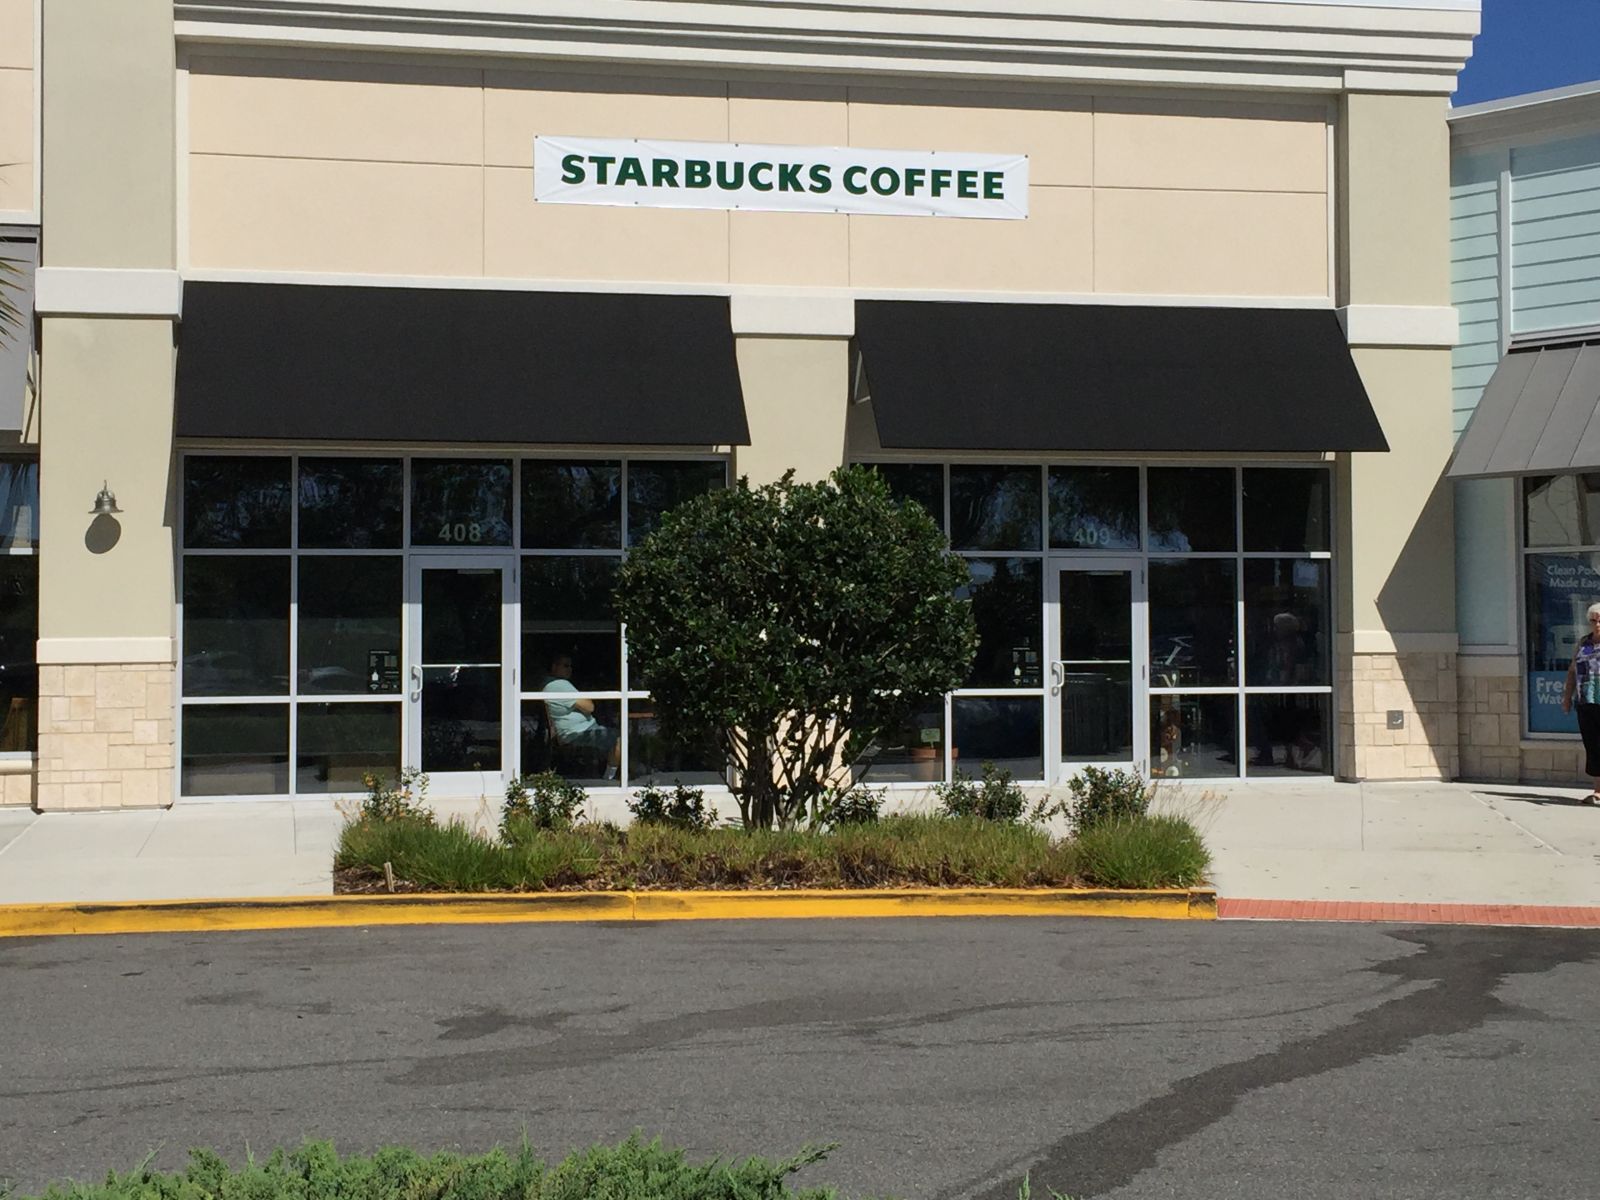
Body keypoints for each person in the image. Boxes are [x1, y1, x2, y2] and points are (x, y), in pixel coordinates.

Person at [542, 651, 620, 779]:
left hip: (580, 729)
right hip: (577, 733)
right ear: (554, 667)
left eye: (570, 666)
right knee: (619, 739)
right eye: (565, 666)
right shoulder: (559, 685)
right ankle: (609, 778)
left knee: (613, 731)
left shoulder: (550, 683)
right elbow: (589, 706)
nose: (569, 669)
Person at [1559, 602, 1600, 804]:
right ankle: (1598, 790)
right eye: (1593, 620)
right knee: (1593, 746)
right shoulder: (1583, 643)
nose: (1597, 624)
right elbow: (1572, 671)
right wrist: (1567, 698)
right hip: (1586, 702)